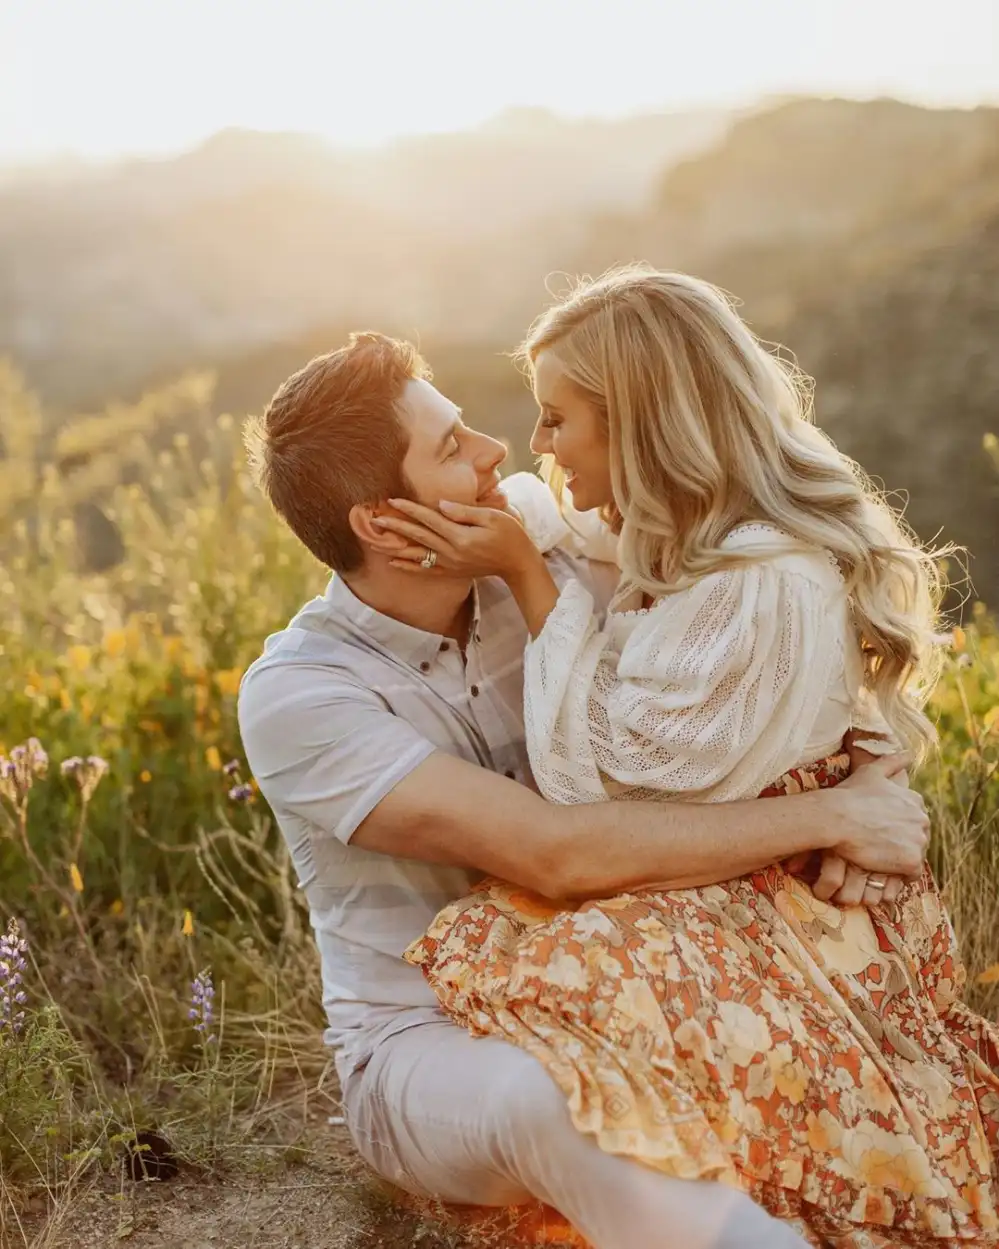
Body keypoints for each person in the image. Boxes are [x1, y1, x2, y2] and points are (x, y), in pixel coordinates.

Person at [237, 330, 930, 1249]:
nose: (498, 452)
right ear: (381, 523)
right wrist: (831, 815)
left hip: (634, 980)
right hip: (429, 1043)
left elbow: (754, 629)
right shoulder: (304, 694)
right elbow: (554, 855)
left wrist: (870, 767)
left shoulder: (541, 534)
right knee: (554, 1098)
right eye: (450, 449)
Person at [370, 269, 999, 1249]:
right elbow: (555, 512)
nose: (534, 447)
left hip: (776, 895)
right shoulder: (676, 523)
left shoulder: (763, 579)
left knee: (561, 981)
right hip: (736, 862)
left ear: (642, 424)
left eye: (556, 420)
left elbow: (608, 783)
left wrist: (527, 580)